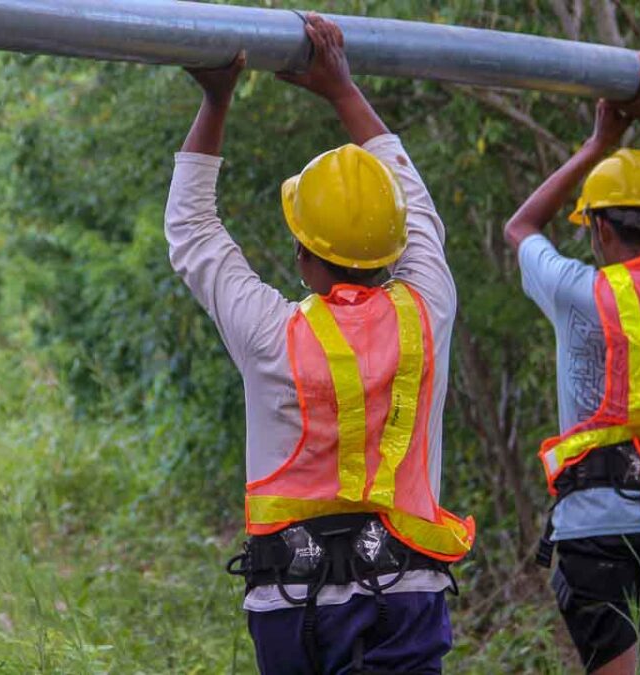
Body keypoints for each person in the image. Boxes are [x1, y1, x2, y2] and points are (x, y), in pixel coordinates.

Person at [165, 13, 474, 674]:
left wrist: (216, 99)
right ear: (393, 245)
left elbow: (191, 229)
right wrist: (342, 90)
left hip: (292, 604)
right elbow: (417, 207)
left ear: (305, 257)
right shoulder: (428, 309)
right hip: (408, 592)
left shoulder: (273, 335)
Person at [503, 53, 640, 675]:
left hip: (594, 531)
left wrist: (598, 142)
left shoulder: (582, 292)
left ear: (600, 230)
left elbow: (521, 226)